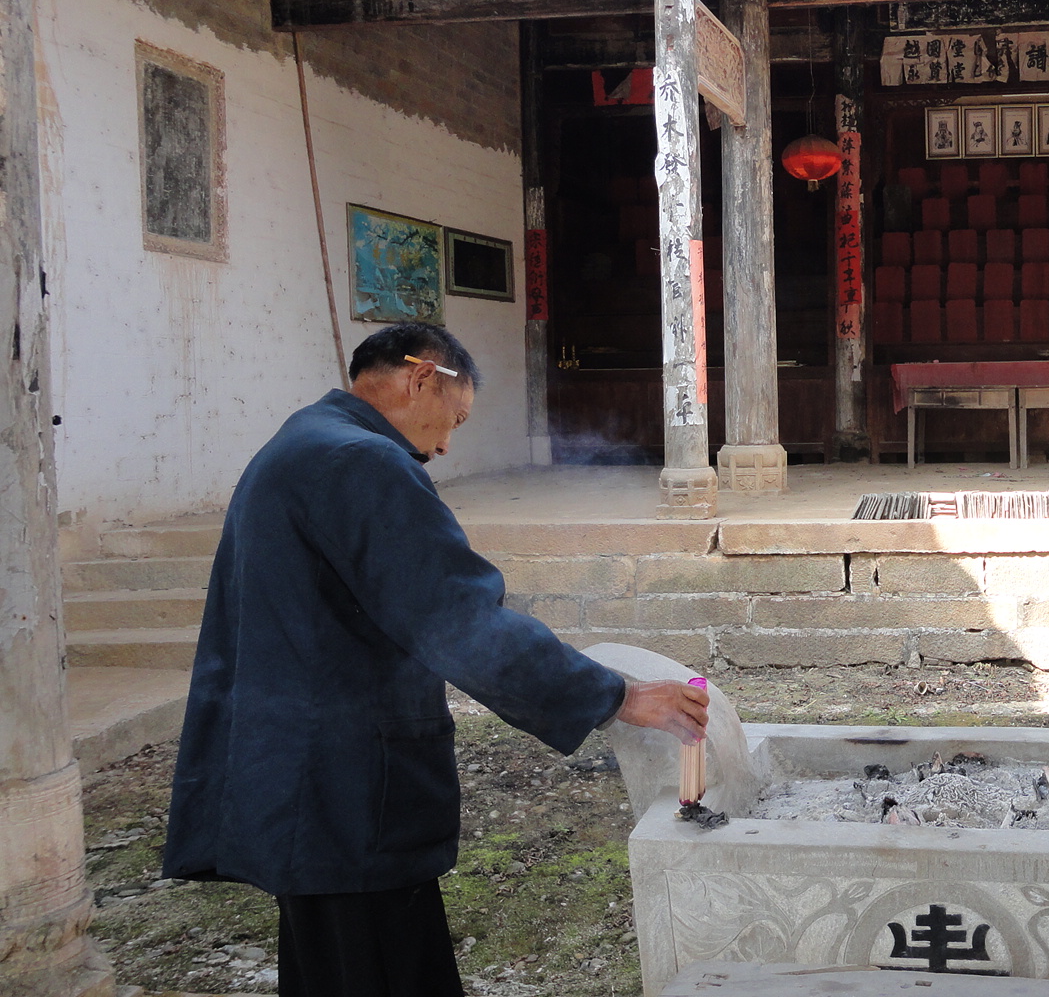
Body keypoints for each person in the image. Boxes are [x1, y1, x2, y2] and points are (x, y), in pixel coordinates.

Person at [161, 323, 708, 997]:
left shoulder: (301, 441)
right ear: (422, 378)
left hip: (294, 772)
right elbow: (458, 618)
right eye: (455, 419)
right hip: (345, 783)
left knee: (334, 964)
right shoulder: (360, 463)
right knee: (377, 967)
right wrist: (615, 696)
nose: (446, 444)